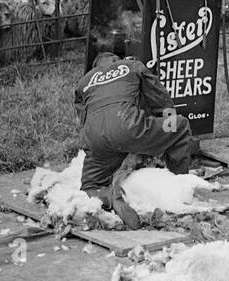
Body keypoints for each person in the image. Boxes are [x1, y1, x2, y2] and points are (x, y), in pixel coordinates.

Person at [74, 50, 196, 228]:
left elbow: (82, 119)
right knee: (180, 125)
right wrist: (163, 128)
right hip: (128, 127)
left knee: (90, 185)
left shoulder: (83, 82)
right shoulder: (132, 66)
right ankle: (179, 185)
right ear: (117, 60)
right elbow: (160, 99)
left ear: (96, 68)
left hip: (96, 139)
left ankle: (110, 197)